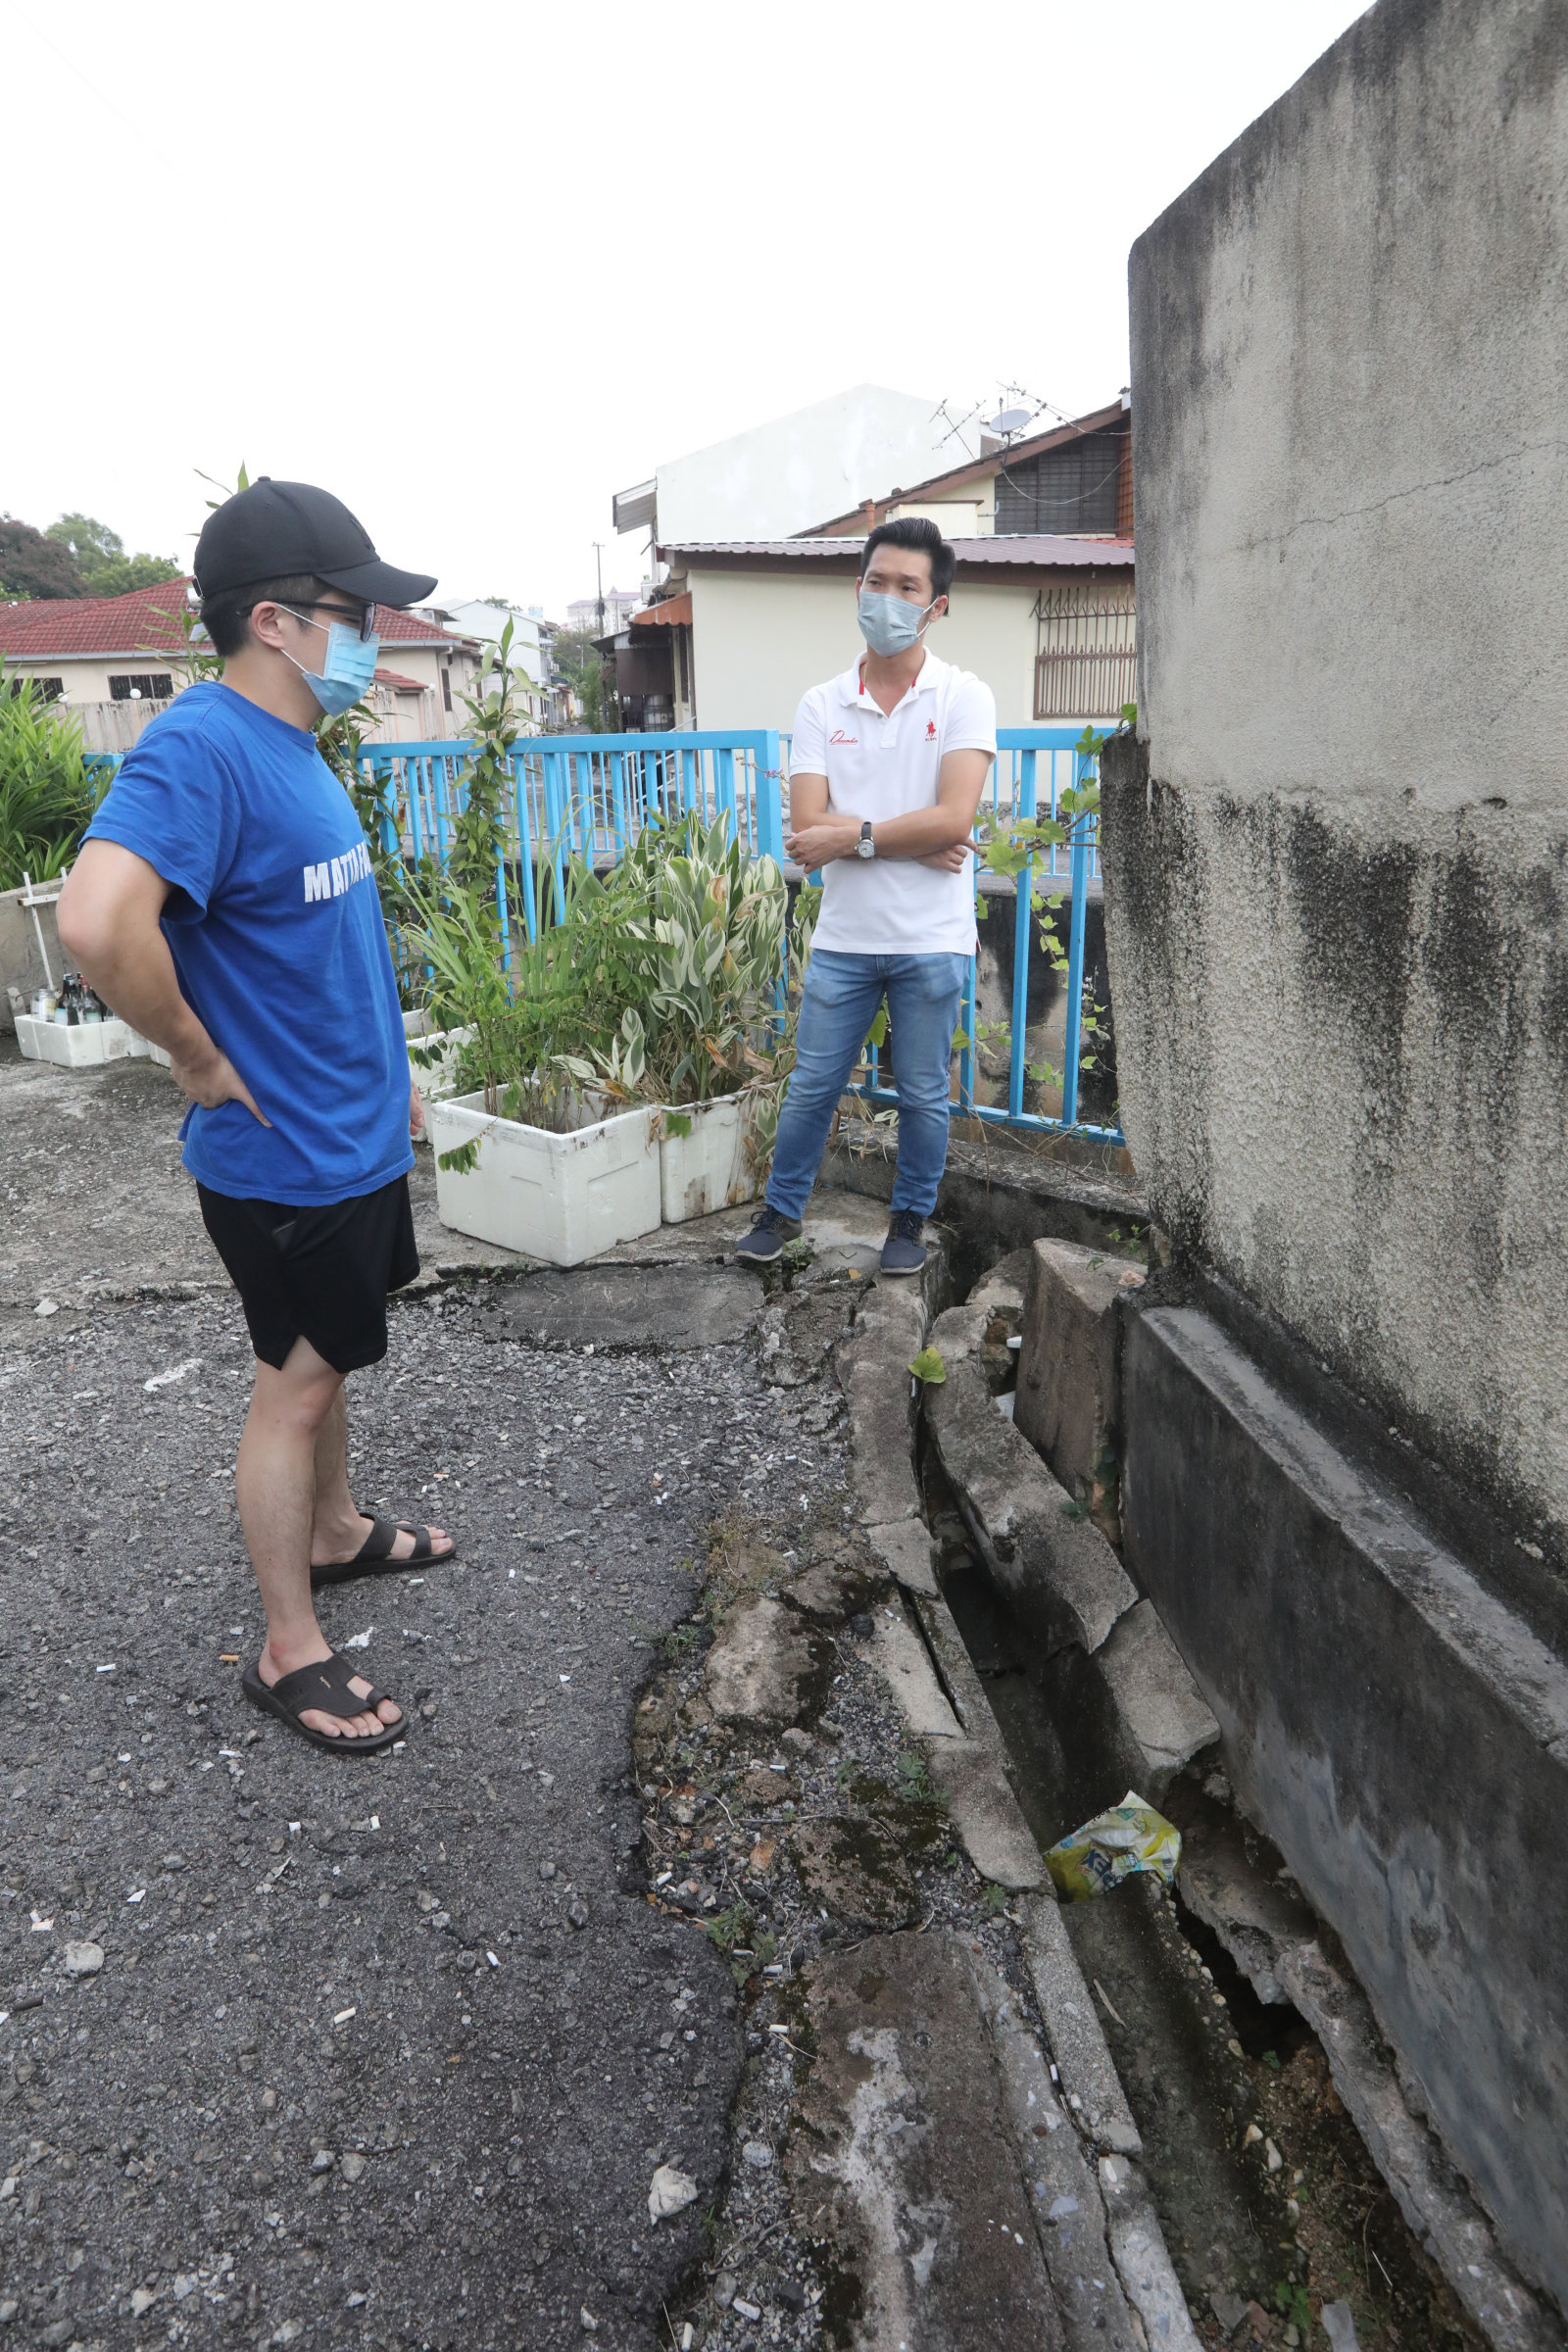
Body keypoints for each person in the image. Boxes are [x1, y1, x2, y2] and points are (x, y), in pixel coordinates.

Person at [58, 478, 455, 1756]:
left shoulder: (288, 746)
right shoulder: (203, 747)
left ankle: (334, 1532)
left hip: (346, 1135)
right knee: (293, 1384)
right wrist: (190, 1054)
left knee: (322, 1359)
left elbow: (302, 946)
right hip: (286, 1155)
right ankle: (289, 1647)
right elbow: (94, 920)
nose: (374, 636)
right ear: (276, 621)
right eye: (357, 613)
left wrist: (387, 1084)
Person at [735, 517, 996, 1275]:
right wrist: (904, 837)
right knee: (812, 1087)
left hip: (930, 939)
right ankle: (781, 1212)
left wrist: (854, 834)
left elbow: (954, 819)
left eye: (908, 587)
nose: (888, 598)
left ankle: (909, 1221)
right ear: (858, 589)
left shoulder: (964, 696)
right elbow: (804, 829)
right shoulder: (822, 704)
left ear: (936, 606)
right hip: (845, 940)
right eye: (877, 582)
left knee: (922, 1094)